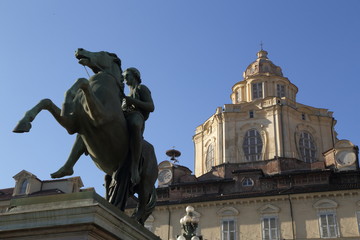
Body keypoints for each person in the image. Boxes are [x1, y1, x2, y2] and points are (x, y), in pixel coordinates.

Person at [122, 67, 155, 185]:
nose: (125, 79)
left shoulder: (141, 88)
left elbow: (151, 107)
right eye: (124, 77)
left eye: (127, 76)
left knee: (135, 124)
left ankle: (135, 166)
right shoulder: (125, 95)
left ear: (135, 76)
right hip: (125, 117)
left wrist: (132, 101)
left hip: (137, 117)